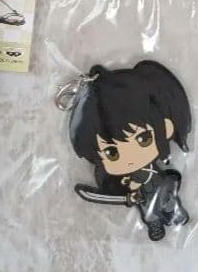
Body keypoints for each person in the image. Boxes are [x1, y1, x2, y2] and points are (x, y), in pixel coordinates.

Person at [69, 61, 191, 241]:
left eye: (143, 139)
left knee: (168, 201)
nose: (130, 158)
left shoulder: (157, 168)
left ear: (166, 128)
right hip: (142, 195)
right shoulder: (125, 179)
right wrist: (130, 191)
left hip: (160, 184)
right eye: (112, 153)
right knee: (149, 212)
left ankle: (174, 213)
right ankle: (155, 224)